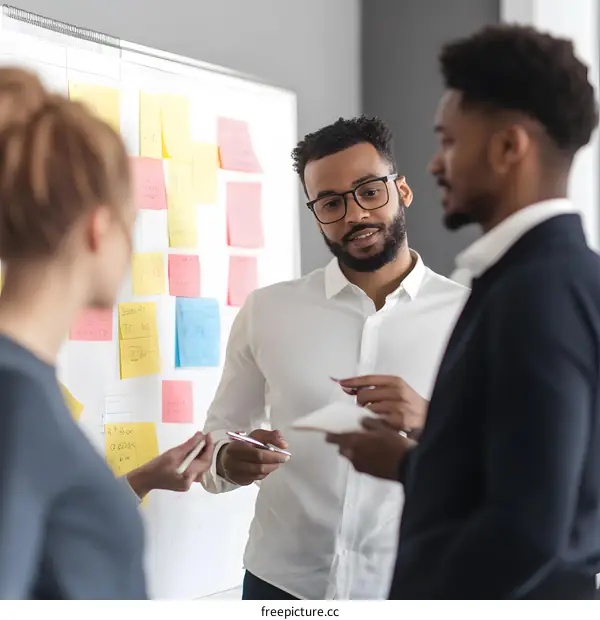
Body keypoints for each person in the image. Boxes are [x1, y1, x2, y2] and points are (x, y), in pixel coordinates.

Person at [327, 24, 600, 599]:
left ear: (508, 148)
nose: (433, 165)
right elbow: (528, 480)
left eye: (449, 141)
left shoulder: (538, 294)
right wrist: (409, 466)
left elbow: (530, 530)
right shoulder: (555, 278)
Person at [201, 115, 468, 600]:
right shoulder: (267, 311)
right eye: (331, 202)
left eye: (369, 191)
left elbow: (511, 464)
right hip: (281, 588)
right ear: (315, 211)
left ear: (402, 191)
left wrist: (431, 423)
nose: (354, 214)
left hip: (414, 585)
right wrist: (226, 459)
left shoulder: (472, 317)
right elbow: (215, 438)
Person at [0, 67, 213, 599]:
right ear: (100, 227)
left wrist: (136, 481)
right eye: (131, 221)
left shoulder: (21, 386)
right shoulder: (16, 400)